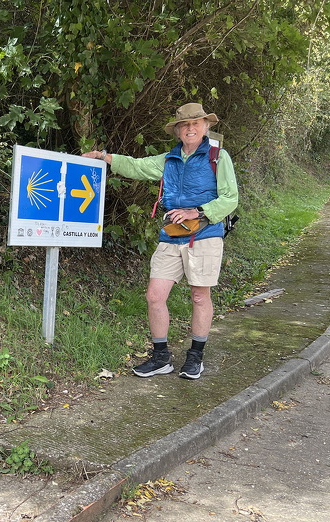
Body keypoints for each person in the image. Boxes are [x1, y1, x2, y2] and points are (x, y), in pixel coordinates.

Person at [83, 102, 238, 380]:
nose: (190, 128)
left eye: (196, 123)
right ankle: (161, 357)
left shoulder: (218, 157)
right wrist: (103, 157)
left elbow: (230, 198)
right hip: (171, 235)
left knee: (199, 296)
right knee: (155, 295)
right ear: (178, 130)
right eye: (185, 125)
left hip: (204, 235)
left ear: (206, 127)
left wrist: (199, 212)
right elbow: (137, 166)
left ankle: (195, 357)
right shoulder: (168, 160)